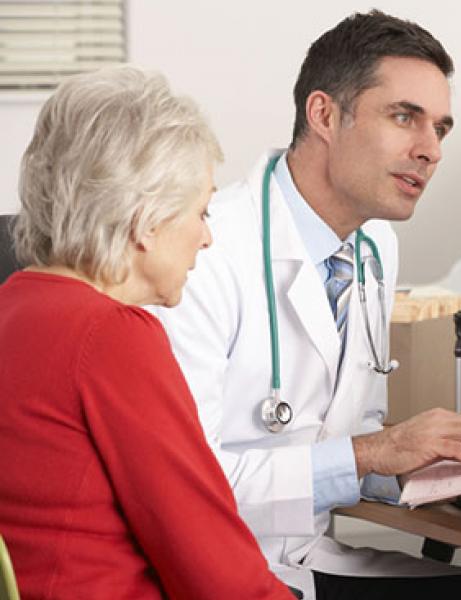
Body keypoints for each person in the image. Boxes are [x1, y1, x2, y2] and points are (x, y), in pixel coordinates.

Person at [152, 10, 461, 600]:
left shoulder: (373, 248)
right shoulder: (204, 252)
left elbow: (354, 434)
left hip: (308, 557)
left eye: (441, 129)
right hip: (221, 572)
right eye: (404, 118)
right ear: (323, 115)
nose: (430, 151)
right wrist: (374, 452)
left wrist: (426, 469)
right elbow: (186, 490)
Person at [0, 66, 295, 599]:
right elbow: (220, 577)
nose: (207, 238)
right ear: (144, 221)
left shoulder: (12, 307)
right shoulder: (112, 337)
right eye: (201, 212)